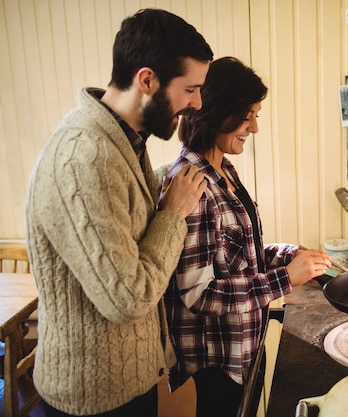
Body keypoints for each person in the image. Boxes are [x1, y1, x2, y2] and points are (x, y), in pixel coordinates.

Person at [24, 9, 214, 417]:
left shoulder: (122, 140)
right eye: (190, 89)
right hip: (93, 399)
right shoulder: (83, 157)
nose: (197, 103)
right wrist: (174, 214)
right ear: (146, 80)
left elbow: (124, 211)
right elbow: (127, 298)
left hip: (130, 382)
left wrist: (173, 179)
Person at [164, 56, 332, 417]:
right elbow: (198, 294)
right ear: (219, 111)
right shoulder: (192, 186)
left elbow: (240, 253)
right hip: (215, 363)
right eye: (248, 115)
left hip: (242, 349)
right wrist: (286, 278)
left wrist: (290, 253)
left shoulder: (223, 169)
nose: (254, 127)